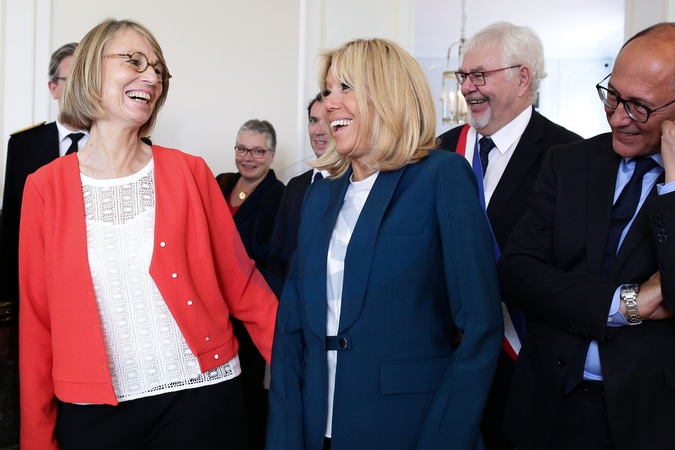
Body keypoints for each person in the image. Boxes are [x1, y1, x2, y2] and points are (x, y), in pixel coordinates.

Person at [18, 18, 278, 450]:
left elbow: (243, 284)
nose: (152, 78)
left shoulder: (190, 171)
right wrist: (36, 439)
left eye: (159, 70)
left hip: (201, 397)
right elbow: (36, 321)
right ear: (90, 69)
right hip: (93, 413)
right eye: (134, 61)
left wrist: (300, 376)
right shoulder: (44, 188)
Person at [266, 38, 503, 450]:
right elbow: (290, 330)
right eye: (327, 90)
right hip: (314, 429)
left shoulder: (441, 175)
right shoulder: (319, 195)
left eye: (345, 87)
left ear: (387, 93)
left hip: (408, 429)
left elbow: (480, 328)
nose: (329, 104)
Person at [498, 22, 675, 450]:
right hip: (546, 410)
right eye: (612, 96)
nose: (617, 117)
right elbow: (517, 273)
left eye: (639, 107)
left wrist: (673, 188)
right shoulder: (567, 162)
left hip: (650, 422)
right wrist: (626, 304)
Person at [436, 21, 581, 450]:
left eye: (480, 75)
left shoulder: (571, 155)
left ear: (522, 78)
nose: (467, 88)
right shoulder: (439, 149)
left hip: (522, 366)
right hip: (445, 356)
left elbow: (572, 264)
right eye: (464, 76)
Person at [0, 41, 85, 448]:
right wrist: (6, 313)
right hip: (36, 298)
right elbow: (10, 231)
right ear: (53, 88)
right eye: (73, 79)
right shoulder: (24, 146)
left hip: (89, 299)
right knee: (32, 400)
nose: (83, 88)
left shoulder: (125, 148)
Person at [215, 119, 284, 450]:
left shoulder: (278, 196)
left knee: (246, 393)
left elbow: (269, 260)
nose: (248, 157)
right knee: (215, 395)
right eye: (242, 149)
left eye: (257, 151)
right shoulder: (221, 183)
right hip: (212, 309)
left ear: (271, 155)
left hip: (247, 313)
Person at [266, 93, 330, 297]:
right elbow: (277, 257)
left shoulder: (354, 183)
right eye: (313, 121)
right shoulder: (294, 186)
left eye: (327, 121)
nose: (319, 131)